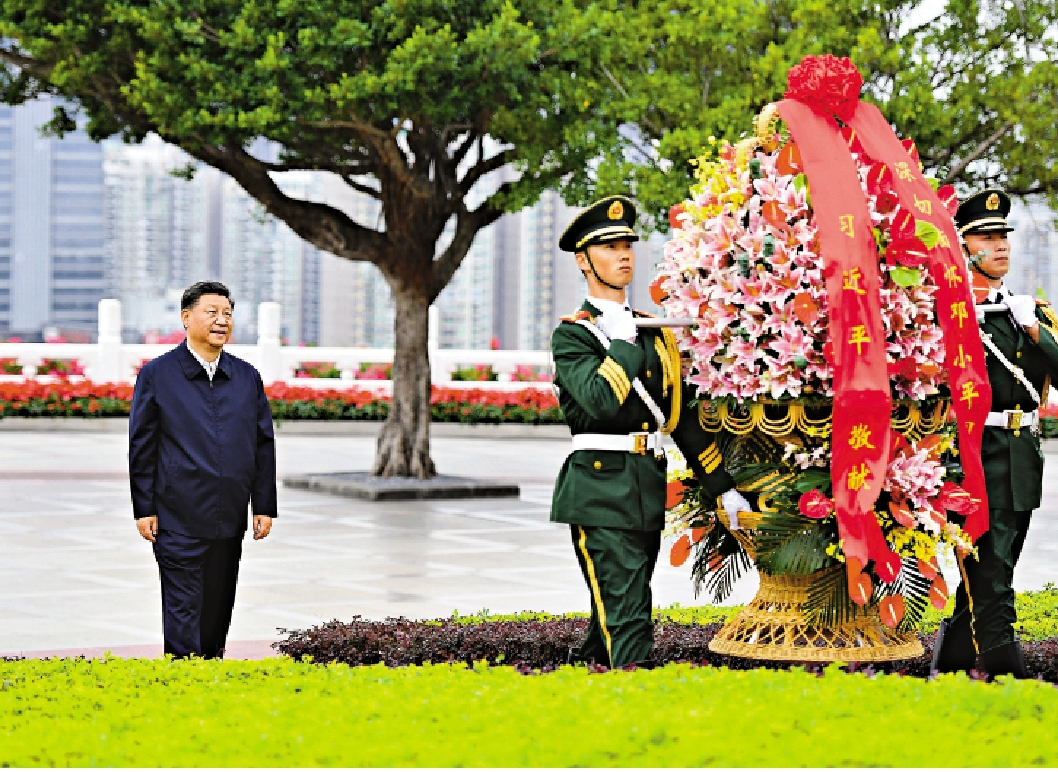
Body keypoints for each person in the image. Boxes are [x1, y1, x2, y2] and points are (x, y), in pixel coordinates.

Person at [550, 195, 751, 669]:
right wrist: (620, 341)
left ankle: (588, 688)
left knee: (618, 610)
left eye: (627, 245)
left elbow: (679, 418)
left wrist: (723, 490)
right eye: (608, 247)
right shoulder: (574, 336)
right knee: (628, 614)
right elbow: (599, 401)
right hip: (598, 488)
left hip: (643, 486)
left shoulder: (653, 330)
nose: (623, 255)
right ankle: (635, 693)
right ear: (582, 260)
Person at [932, 190, 1058, 678]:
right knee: (993, 579)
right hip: (974, 458)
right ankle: (1006, 677)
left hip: (1022, 459)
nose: (1001, 245)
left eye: (1004, 235)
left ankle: (952, 667)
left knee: (985, 578)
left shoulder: (1027, 311)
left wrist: (1035, 331)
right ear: (964, 248)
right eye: (987, 237)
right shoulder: (953, 314)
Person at [129, 281, 278, 659]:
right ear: (186, 318)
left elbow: (262, 443)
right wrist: (143, 508)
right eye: (211, 312)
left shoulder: (246, 377)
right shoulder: (158, 375)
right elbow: (142, 446)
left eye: (227, 314)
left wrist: (263, 505)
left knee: (218, 603)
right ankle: (184, 678)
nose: (221, 321)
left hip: (229, 515)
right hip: (177, 514)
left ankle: (210, 672)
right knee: (182, 605)